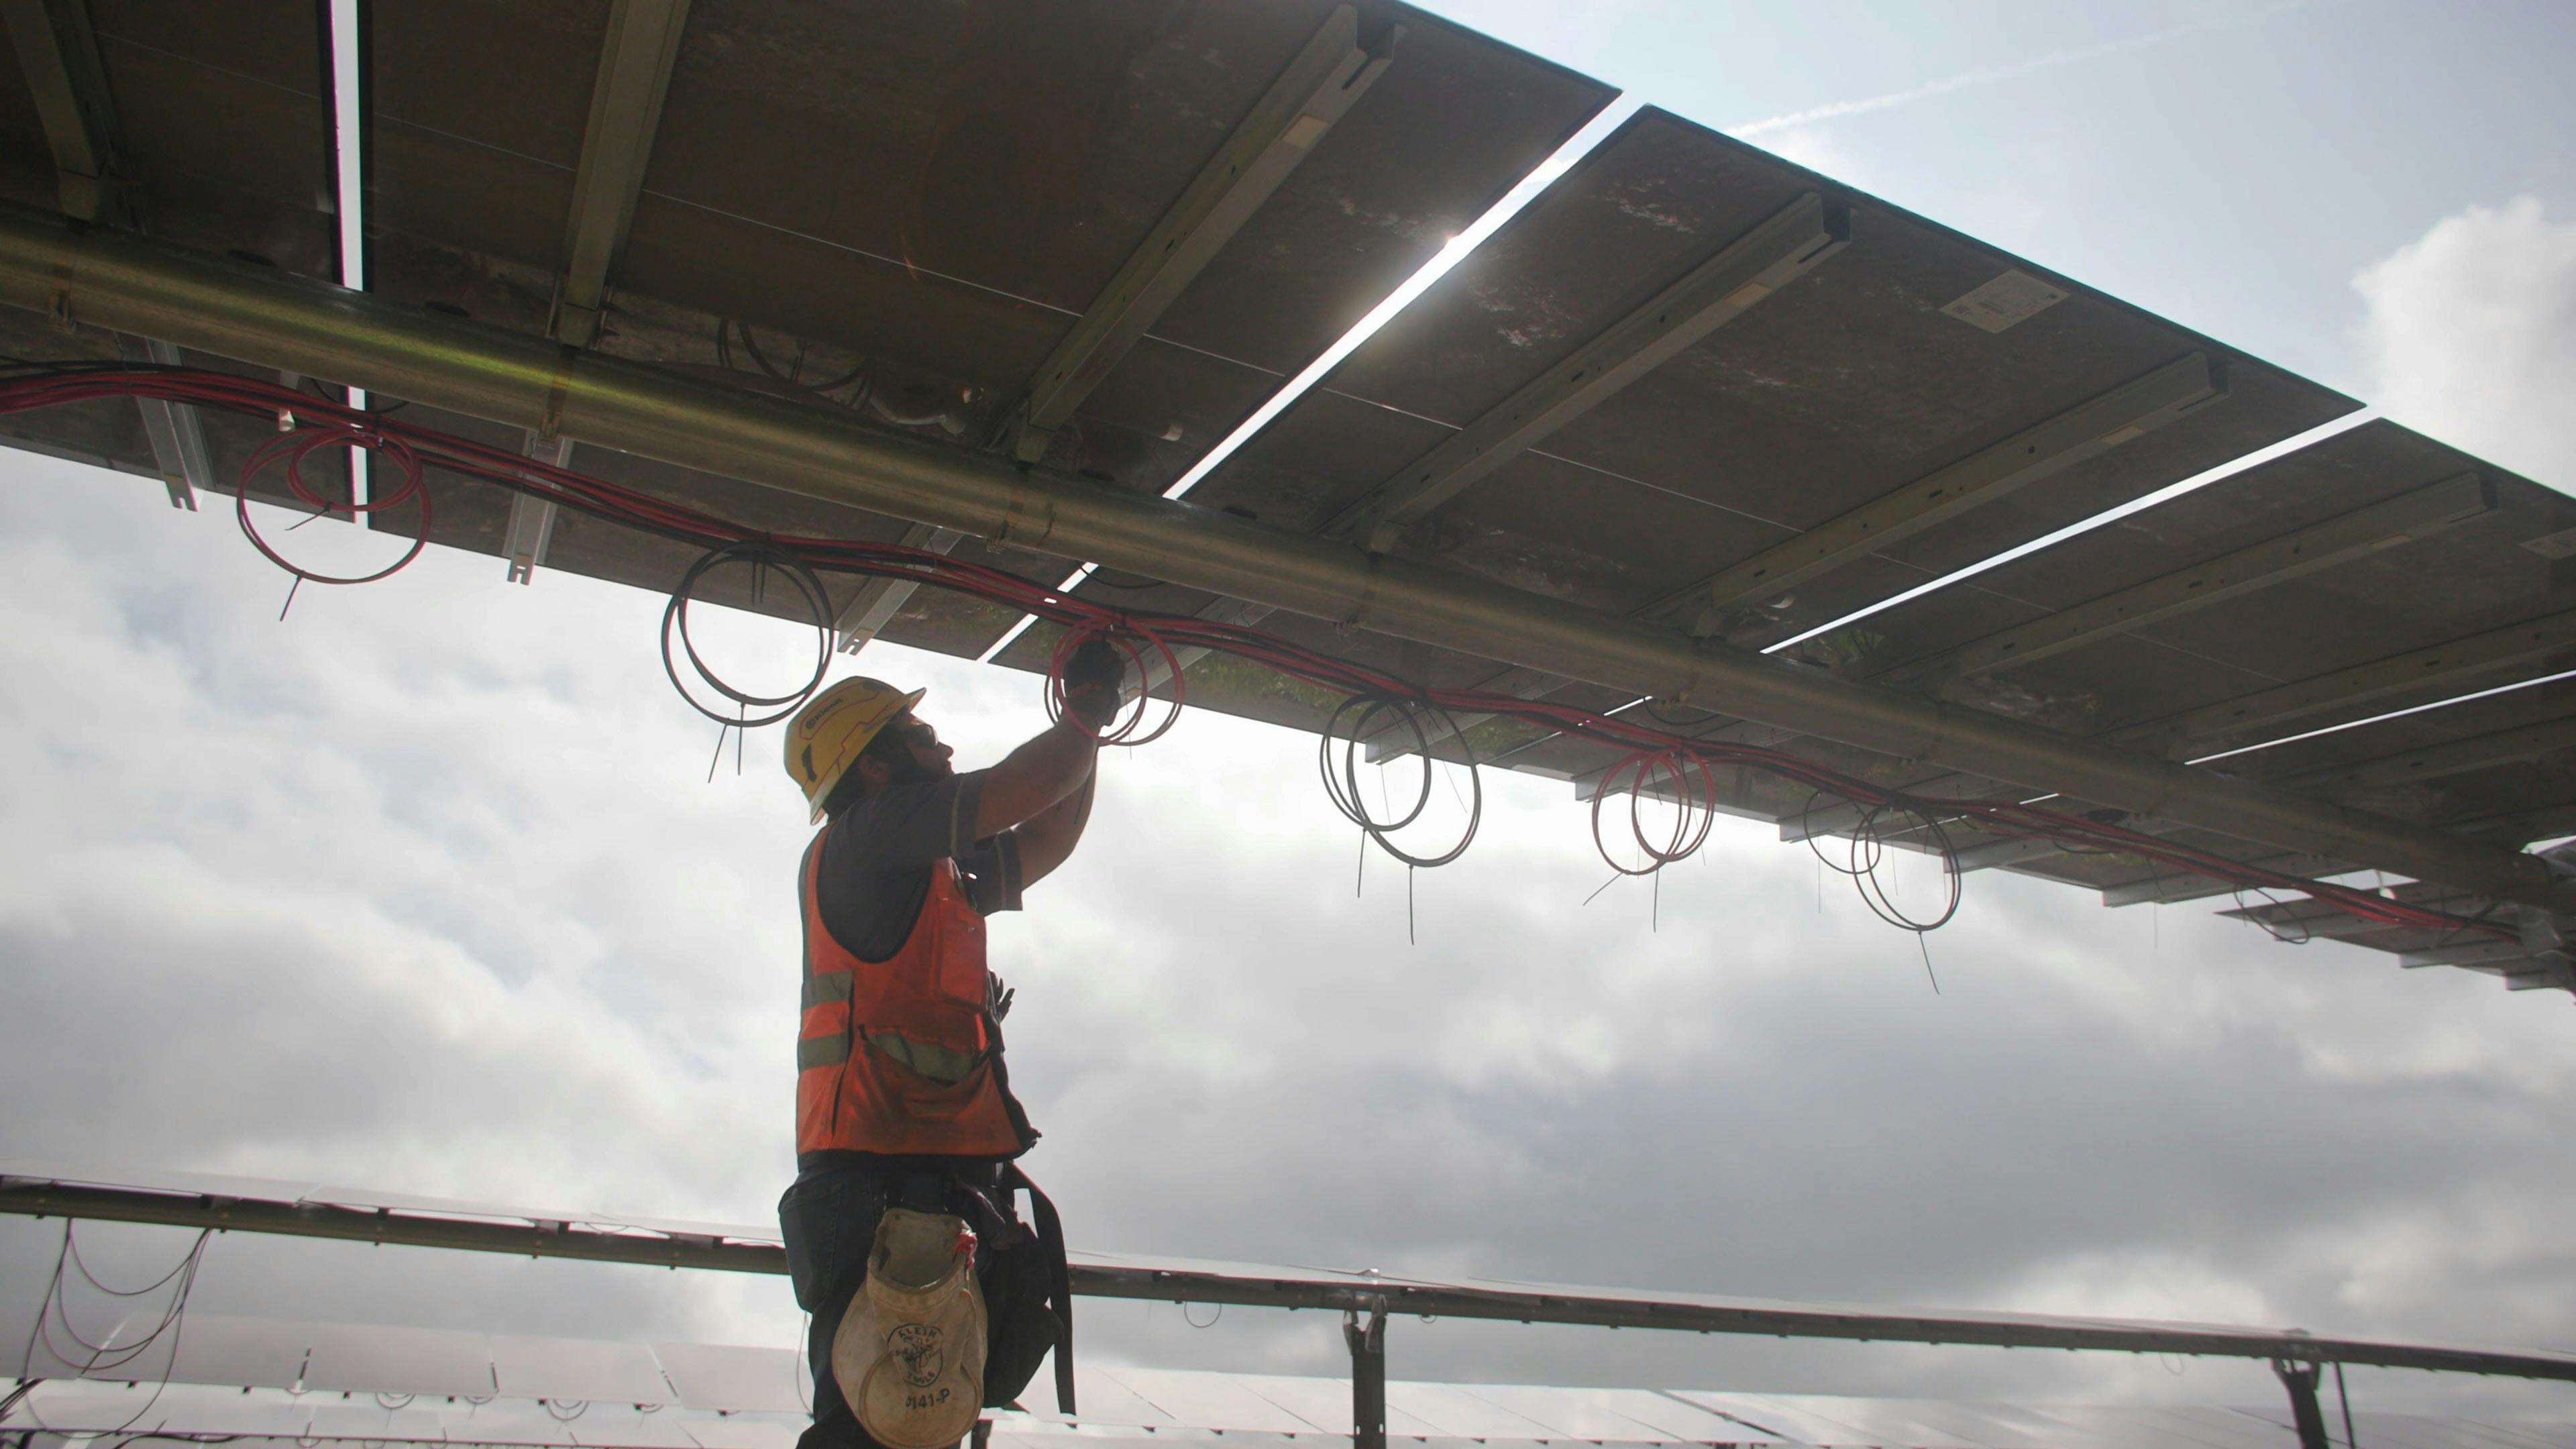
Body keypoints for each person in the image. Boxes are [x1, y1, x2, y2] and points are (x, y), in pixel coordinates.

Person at [775, 644, 1125, 1449]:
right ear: (874, 767)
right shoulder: (867, 839)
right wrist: (1083, 712)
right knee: (879, 1419)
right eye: (923, 738)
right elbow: (1018, 789)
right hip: (880, 1180)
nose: (945, 749)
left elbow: (1049, 830)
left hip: (919, 1175)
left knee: (917, 1413)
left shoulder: (920, 869)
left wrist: (1089, 728)